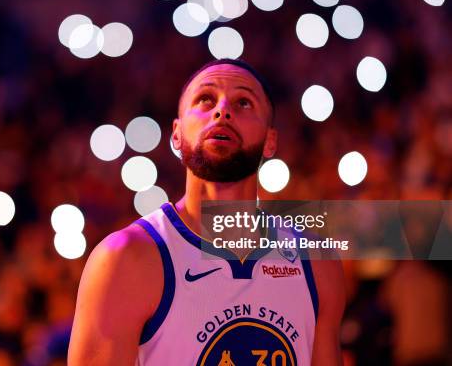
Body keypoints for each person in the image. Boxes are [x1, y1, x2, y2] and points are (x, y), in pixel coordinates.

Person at [68, 59, 345, 365]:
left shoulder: (317, 263)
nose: (222, 111)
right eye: (205, 99)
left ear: (270, 141)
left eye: (243, 102)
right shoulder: (125, 258)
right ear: (176, 133)